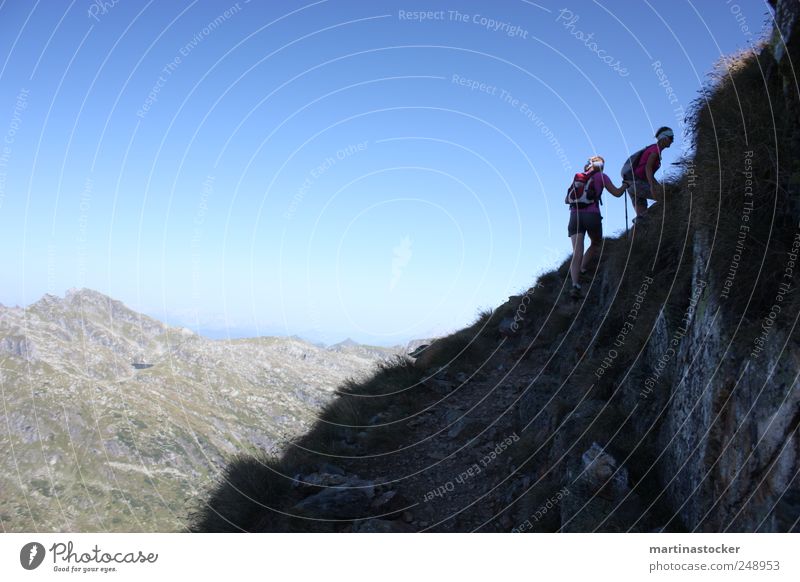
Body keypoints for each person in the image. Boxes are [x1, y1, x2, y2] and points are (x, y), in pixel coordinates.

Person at [567, 156, 628, 298]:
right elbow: (617, 193)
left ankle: (575, 285)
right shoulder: (602, 176)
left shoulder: (578, 177)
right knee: (596, 243)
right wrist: (625, 185)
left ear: (588, 165)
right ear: (601, 166)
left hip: (574, 216)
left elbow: (567, 199)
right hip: (592, 215)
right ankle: (583, 268)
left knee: (577, 252)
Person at [628, 126, 675, 220]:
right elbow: (648, 167)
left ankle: (639, 227)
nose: (672, 141)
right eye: (671, 138)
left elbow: (648, 173)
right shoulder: (655, 150)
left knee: (642, 217)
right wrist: (653, 187)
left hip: (630, 184)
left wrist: (657, 185)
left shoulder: (652, 148)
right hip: (638, 183)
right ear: (664, 138)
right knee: (667, 198)